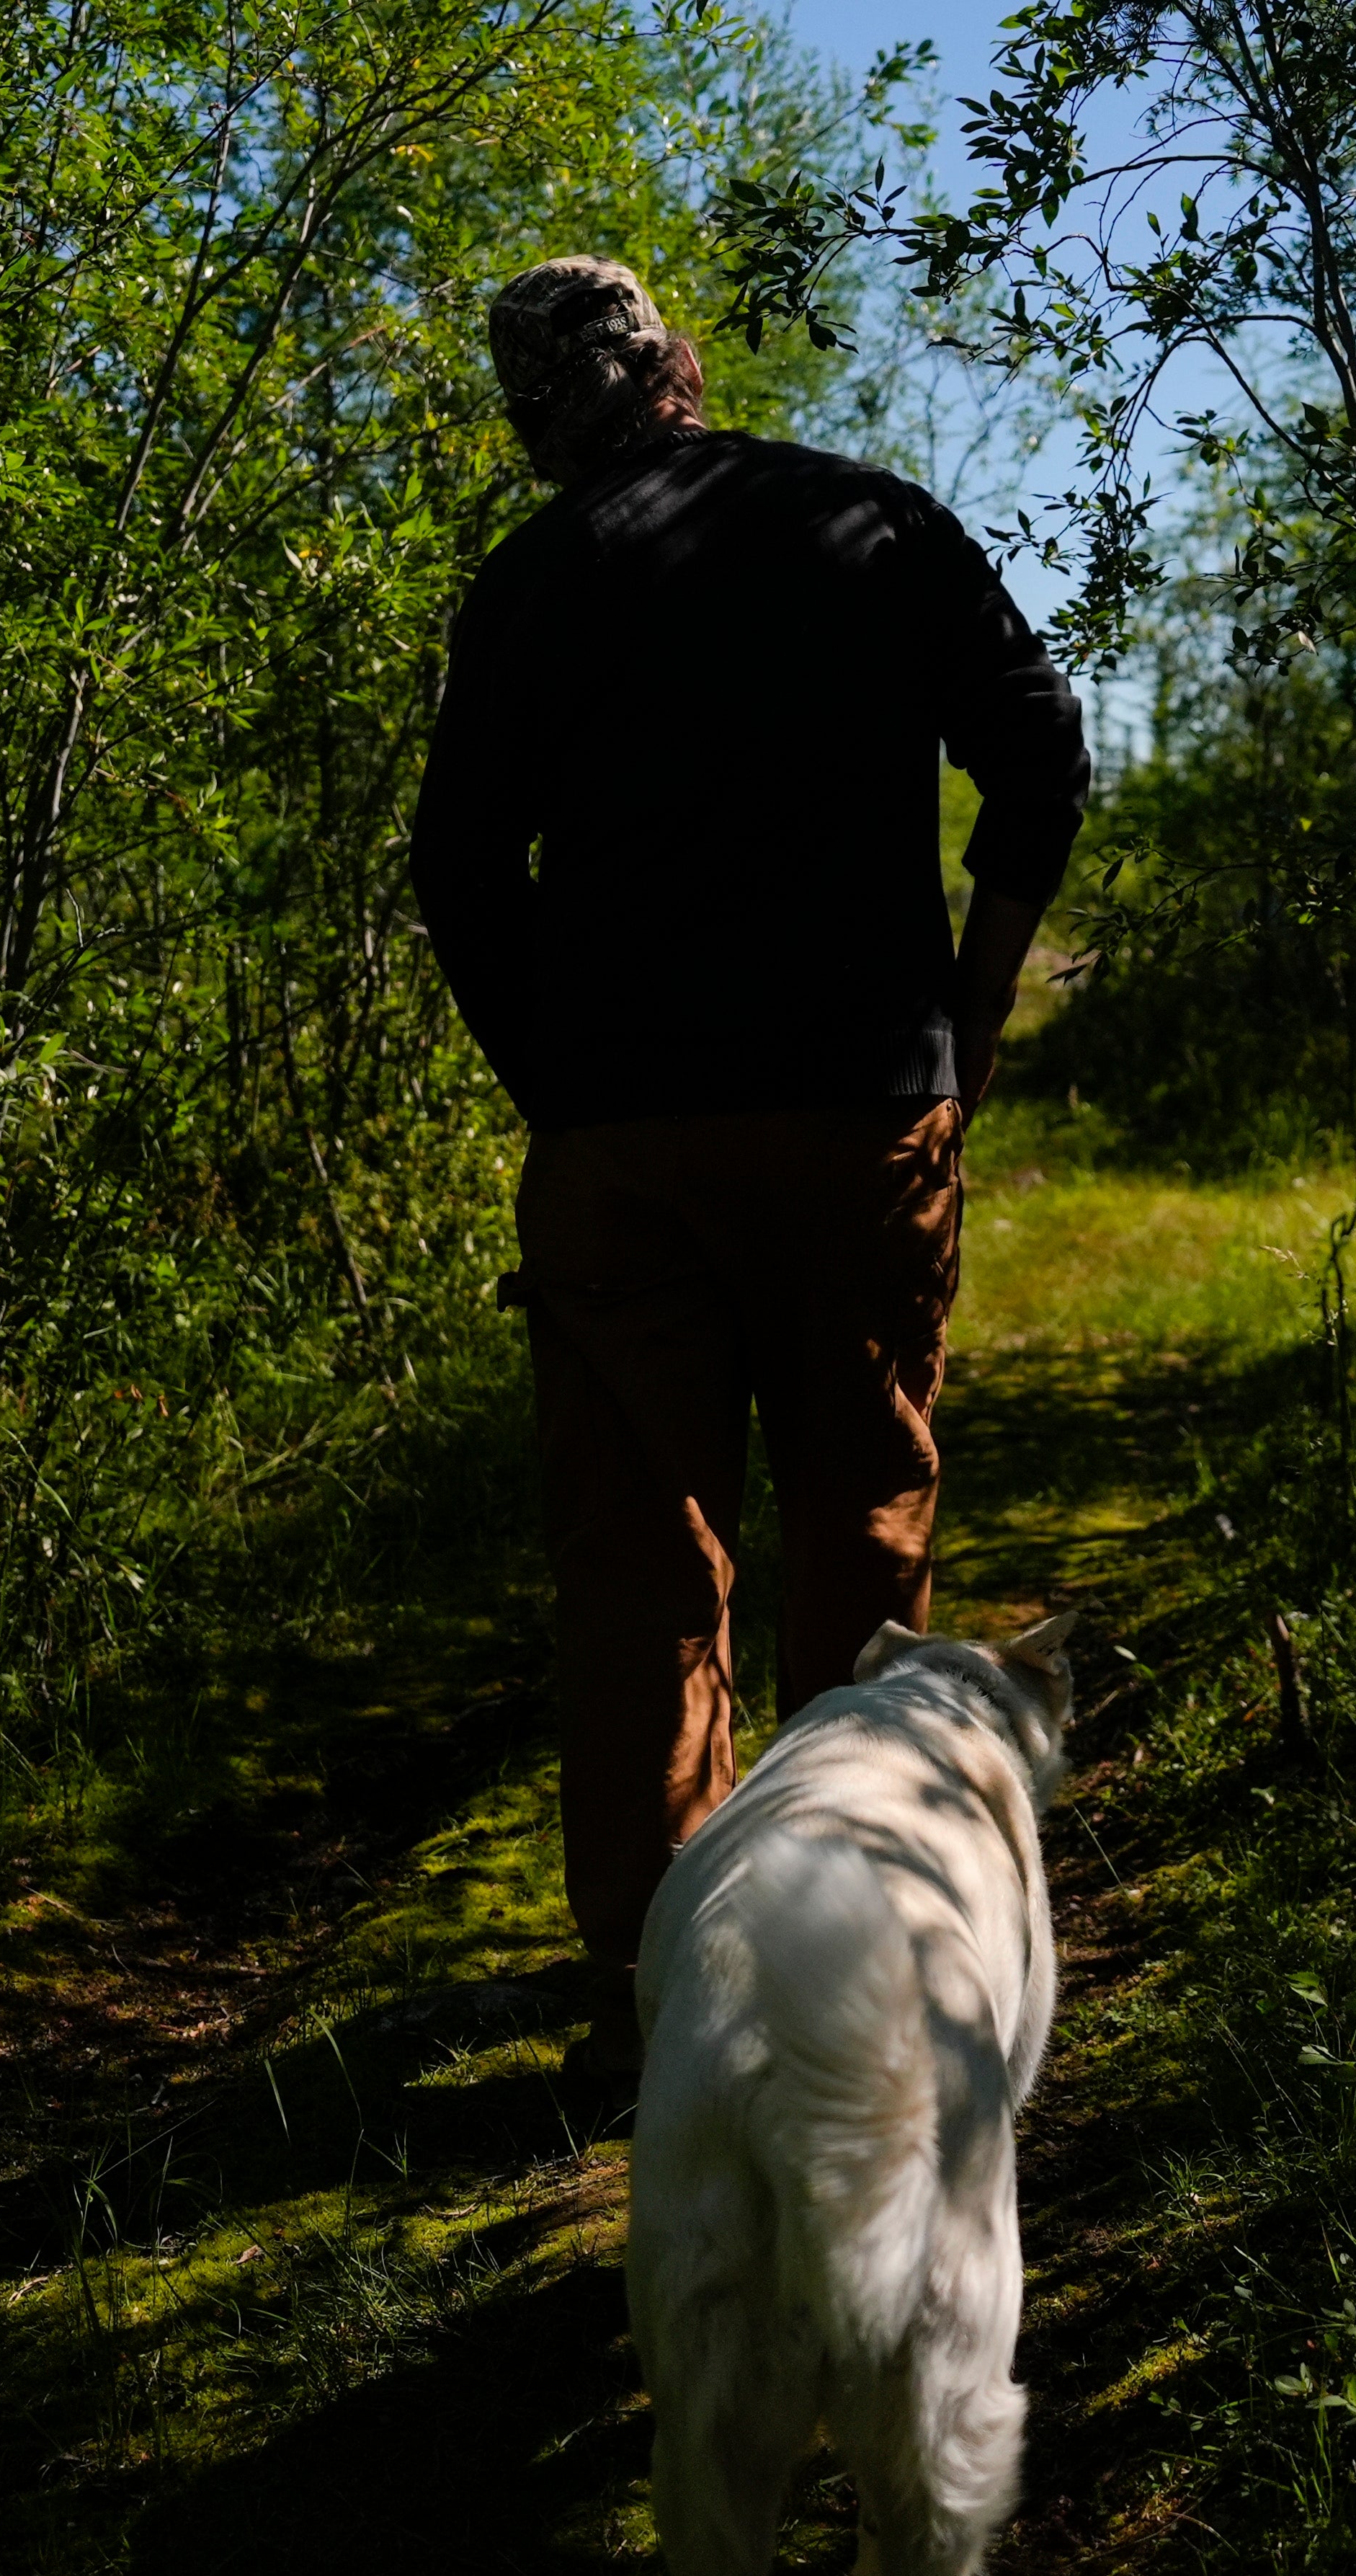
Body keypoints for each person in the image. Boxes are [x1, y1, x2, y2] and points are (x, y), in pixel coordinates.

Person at [408, 255, 1089, 2047]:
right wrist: (976, 1000)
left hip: (623, 1143)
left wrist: (555, 1079)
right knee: (862, 1516)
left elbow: (457, 875)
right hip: (863, 1113)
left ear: (531, 421)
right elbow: (1040, 754)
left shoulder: (536, 578)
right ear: (683, 367)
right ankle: (862, 1962)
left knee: (642, 1552)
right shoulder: (867, 522)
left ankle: (663, 1996)